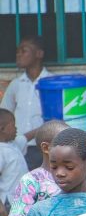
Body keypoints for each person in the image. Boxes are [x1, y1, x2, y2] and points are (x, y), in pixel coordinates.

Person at [1, 36, 50, 168]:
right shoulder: (16, 84)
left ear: (39, 54)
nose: (19, 54)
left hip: (44, 145)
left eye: (24, 51)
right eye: (18, 51)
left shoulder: (51, 82)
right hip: (18, 146)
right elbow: (4, 113)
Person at [0, 108, 29, 205]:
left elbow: (26, 137)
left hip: (21, 200)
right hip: (9, 201)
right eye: (13, 125)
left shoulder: (13, 144)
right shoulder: (1, 151)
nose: (16, 128)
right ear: (2, 129)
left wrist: (44, 127)